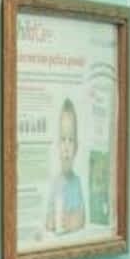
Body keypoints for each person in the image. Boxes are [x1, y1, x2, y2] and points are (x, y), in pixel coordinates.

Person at [42, 97, 87, 236]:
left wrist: (71, 220)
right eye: (63, 139)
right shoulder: (54, 182)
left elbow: (81, 218)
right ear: (57, 145)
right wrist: (53, 221)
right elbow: (48, 220)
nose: (66, 146)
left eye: (71, 140)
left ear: (76, 147)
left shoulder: (77, 183)